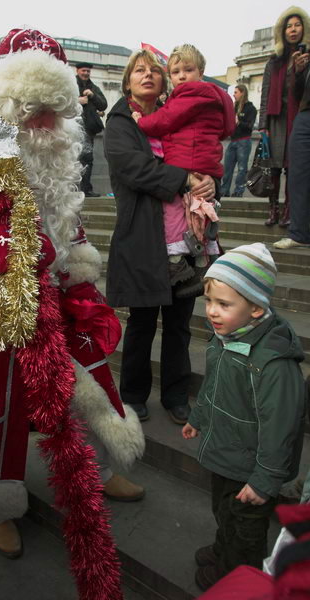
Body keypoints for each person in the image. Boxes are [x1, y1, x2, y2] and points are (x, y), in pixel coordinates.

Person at [0, 28, 146, 599]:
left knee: (79, 382)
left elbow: (65, 216)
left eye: (56, 113)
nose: (47, 126)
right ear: (2, 100)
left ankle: (96, 463)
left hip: (51, 298)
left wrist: (78, 267)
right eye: (34, 111)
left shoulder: (54, 146)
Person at [182, 243, 306, 591]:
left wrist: (265, 481)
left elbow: (281, 428)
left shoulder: (274, 365)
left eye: (224, 304)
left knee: (247, 530)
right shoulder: (226, 336)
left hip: (251, 467)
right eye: (208, 301)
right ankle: (225, 549)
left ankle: (236, 576)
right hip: (226, 452)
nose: (212, 312)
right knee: (224, 512)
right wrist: (200, 417)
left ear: (255, 308)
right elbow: (214, 387)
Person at [104, 49, 217, 425]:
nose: (148, 75)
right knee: (141, 322)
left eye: (155, 70)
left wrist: (207, 179)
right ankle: (133, 395)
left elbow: (202, 148)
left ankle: (175, 395)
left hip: (183, 237)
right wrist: (184, 178)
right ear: (128, 81)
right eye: (140, 70)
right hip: (143, 237)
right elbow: (134, 168)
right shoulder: (121, 120)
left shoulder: (176, 114)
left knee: (180, 323)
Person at [132, 44, 235, 298]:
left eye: (188, 70)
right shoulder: (213, 95)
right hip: (203, 162)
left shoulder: (192, 93)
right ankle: (202, 264)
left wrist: (141, 122)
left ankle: (177, 262)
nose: (181, 76)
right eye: (175, 71)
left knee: (175, 214)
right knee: (200, 215)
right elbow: (226, 129)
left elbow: (165, 120)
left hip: (188, 161)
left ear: (201, 72)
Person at [259, 7, 310, 227]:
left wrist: (300, 70)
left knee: (292, 167)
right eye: (289, 26)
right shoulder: (274, 60)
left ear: (304, 28)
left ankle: (289, 210)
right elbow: (266, 91)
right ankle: (274, 210)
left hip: (296, 117)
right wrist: (262, 124)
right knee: (273, 167)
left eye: (297, 25)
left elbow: (303, 91)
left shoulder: (306, 56)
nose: (293, 29)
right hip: (275, 118)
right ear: (282, 30)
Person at [274, 45, 310, 248]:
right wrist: (299, 71)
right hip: (305, 114)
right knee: (298, 175)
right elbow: (295, 94)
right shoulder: (305, 58)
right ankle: (299, 233)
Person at [76, 62, 107, 197]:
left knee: (87, 158)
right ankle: (73, 189)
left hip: (88, 130)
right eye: (83, 71)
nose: (86, 73)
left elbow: (103, 105)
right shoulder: (70, 84)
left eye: (88, 71)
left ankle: (86, 189)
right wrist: (77, 101)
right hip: (71, 128)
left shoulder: (94, 87)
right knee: (72, 159)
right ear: (77, 71)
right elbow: (59, 101)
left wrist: (93, 95)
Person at [220, 84, 257, 198]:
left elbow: (250, 126)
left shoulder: (251, 108)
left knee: (242, 169)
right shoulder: (234, 107)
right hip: (233, 140)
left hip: (244, 141)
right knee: (227, 168)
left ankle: (238, 192)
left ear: (242, 93)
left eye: (236, 92)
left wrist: (239, 122)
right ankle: (224, 190)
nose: (234, 94)